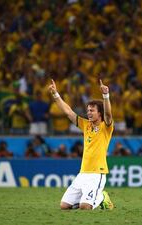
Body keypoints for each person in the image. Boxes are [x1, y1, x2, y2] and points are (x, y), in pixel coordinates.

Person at [49, 78, 114, 210]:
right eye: (88, 110)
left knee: (85, 207)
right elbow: (68, 112)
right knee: (64, 206)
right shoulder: (86, 125)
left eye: (92, 110)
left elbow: (108, 113)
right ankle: (90, 198)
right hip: (83, 172)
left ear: (99, 113)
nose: (88, 113)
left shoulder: (106, 126)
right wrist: (56, 94)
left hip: (97, 173)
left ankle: (102, 197)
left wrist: (106, 96)